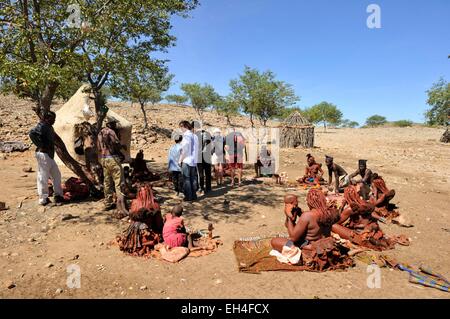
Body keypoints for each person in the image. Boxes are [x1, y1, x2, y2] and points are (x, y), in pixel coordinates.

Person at [270, 190, 339, 264]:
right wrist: (299, 212)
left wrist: (289, 216)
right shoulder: (331, 212)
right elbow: (313, 222)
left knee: (275, 241)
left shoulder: (307, 215)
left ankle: (299, 256)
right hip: (325, 245)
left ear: (310, 202)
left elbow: (293, 238)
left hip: (310, 247)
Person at [29, 111, 65, 206]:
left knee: (56, 174)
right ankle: (43, 199)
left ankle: (58, 195)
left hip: (49, 155)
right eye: (52, 119)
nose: (54, 121)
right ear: (47, 118)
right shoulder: (42, 126)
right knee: (43, 176)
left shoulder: (49, 127)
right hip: (43, 154)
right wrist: (41, 145)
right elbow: (32, 134)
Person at [97, 118, 128, 216]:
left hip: (104, 159)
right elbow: (116, 144)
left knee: (107, 181)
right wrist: (122, 147)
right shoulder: (111, 132)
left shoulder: (100, 133)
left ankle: (108, 202)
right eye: (114, 123)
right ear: (110, 124)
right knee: (119, 182)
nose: (115, 125)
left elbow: (98, 147)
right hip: (113, 159)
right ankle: (121, 204)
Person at [178, 121, 197, 201]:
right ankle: (194, 195)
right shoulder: (195, 136)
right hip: (193, 161)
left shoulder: (186, 136)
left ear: (184, 126)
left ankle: (188, 196)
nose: (180, 129)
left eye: (181, 127)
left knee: (186, 179)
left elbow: (184, 150)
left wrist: (180, 160)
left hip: (187, 160)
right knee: (193, 179)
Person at [193, 121, 212, 194]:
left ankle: (201, 187)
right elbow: (211, 145)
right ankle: (208, 188)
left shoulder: (195, 135)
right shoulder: (208, 134)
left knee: (200, 173)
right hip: (207, 156)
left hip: (199, 156)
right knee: (207, 173)